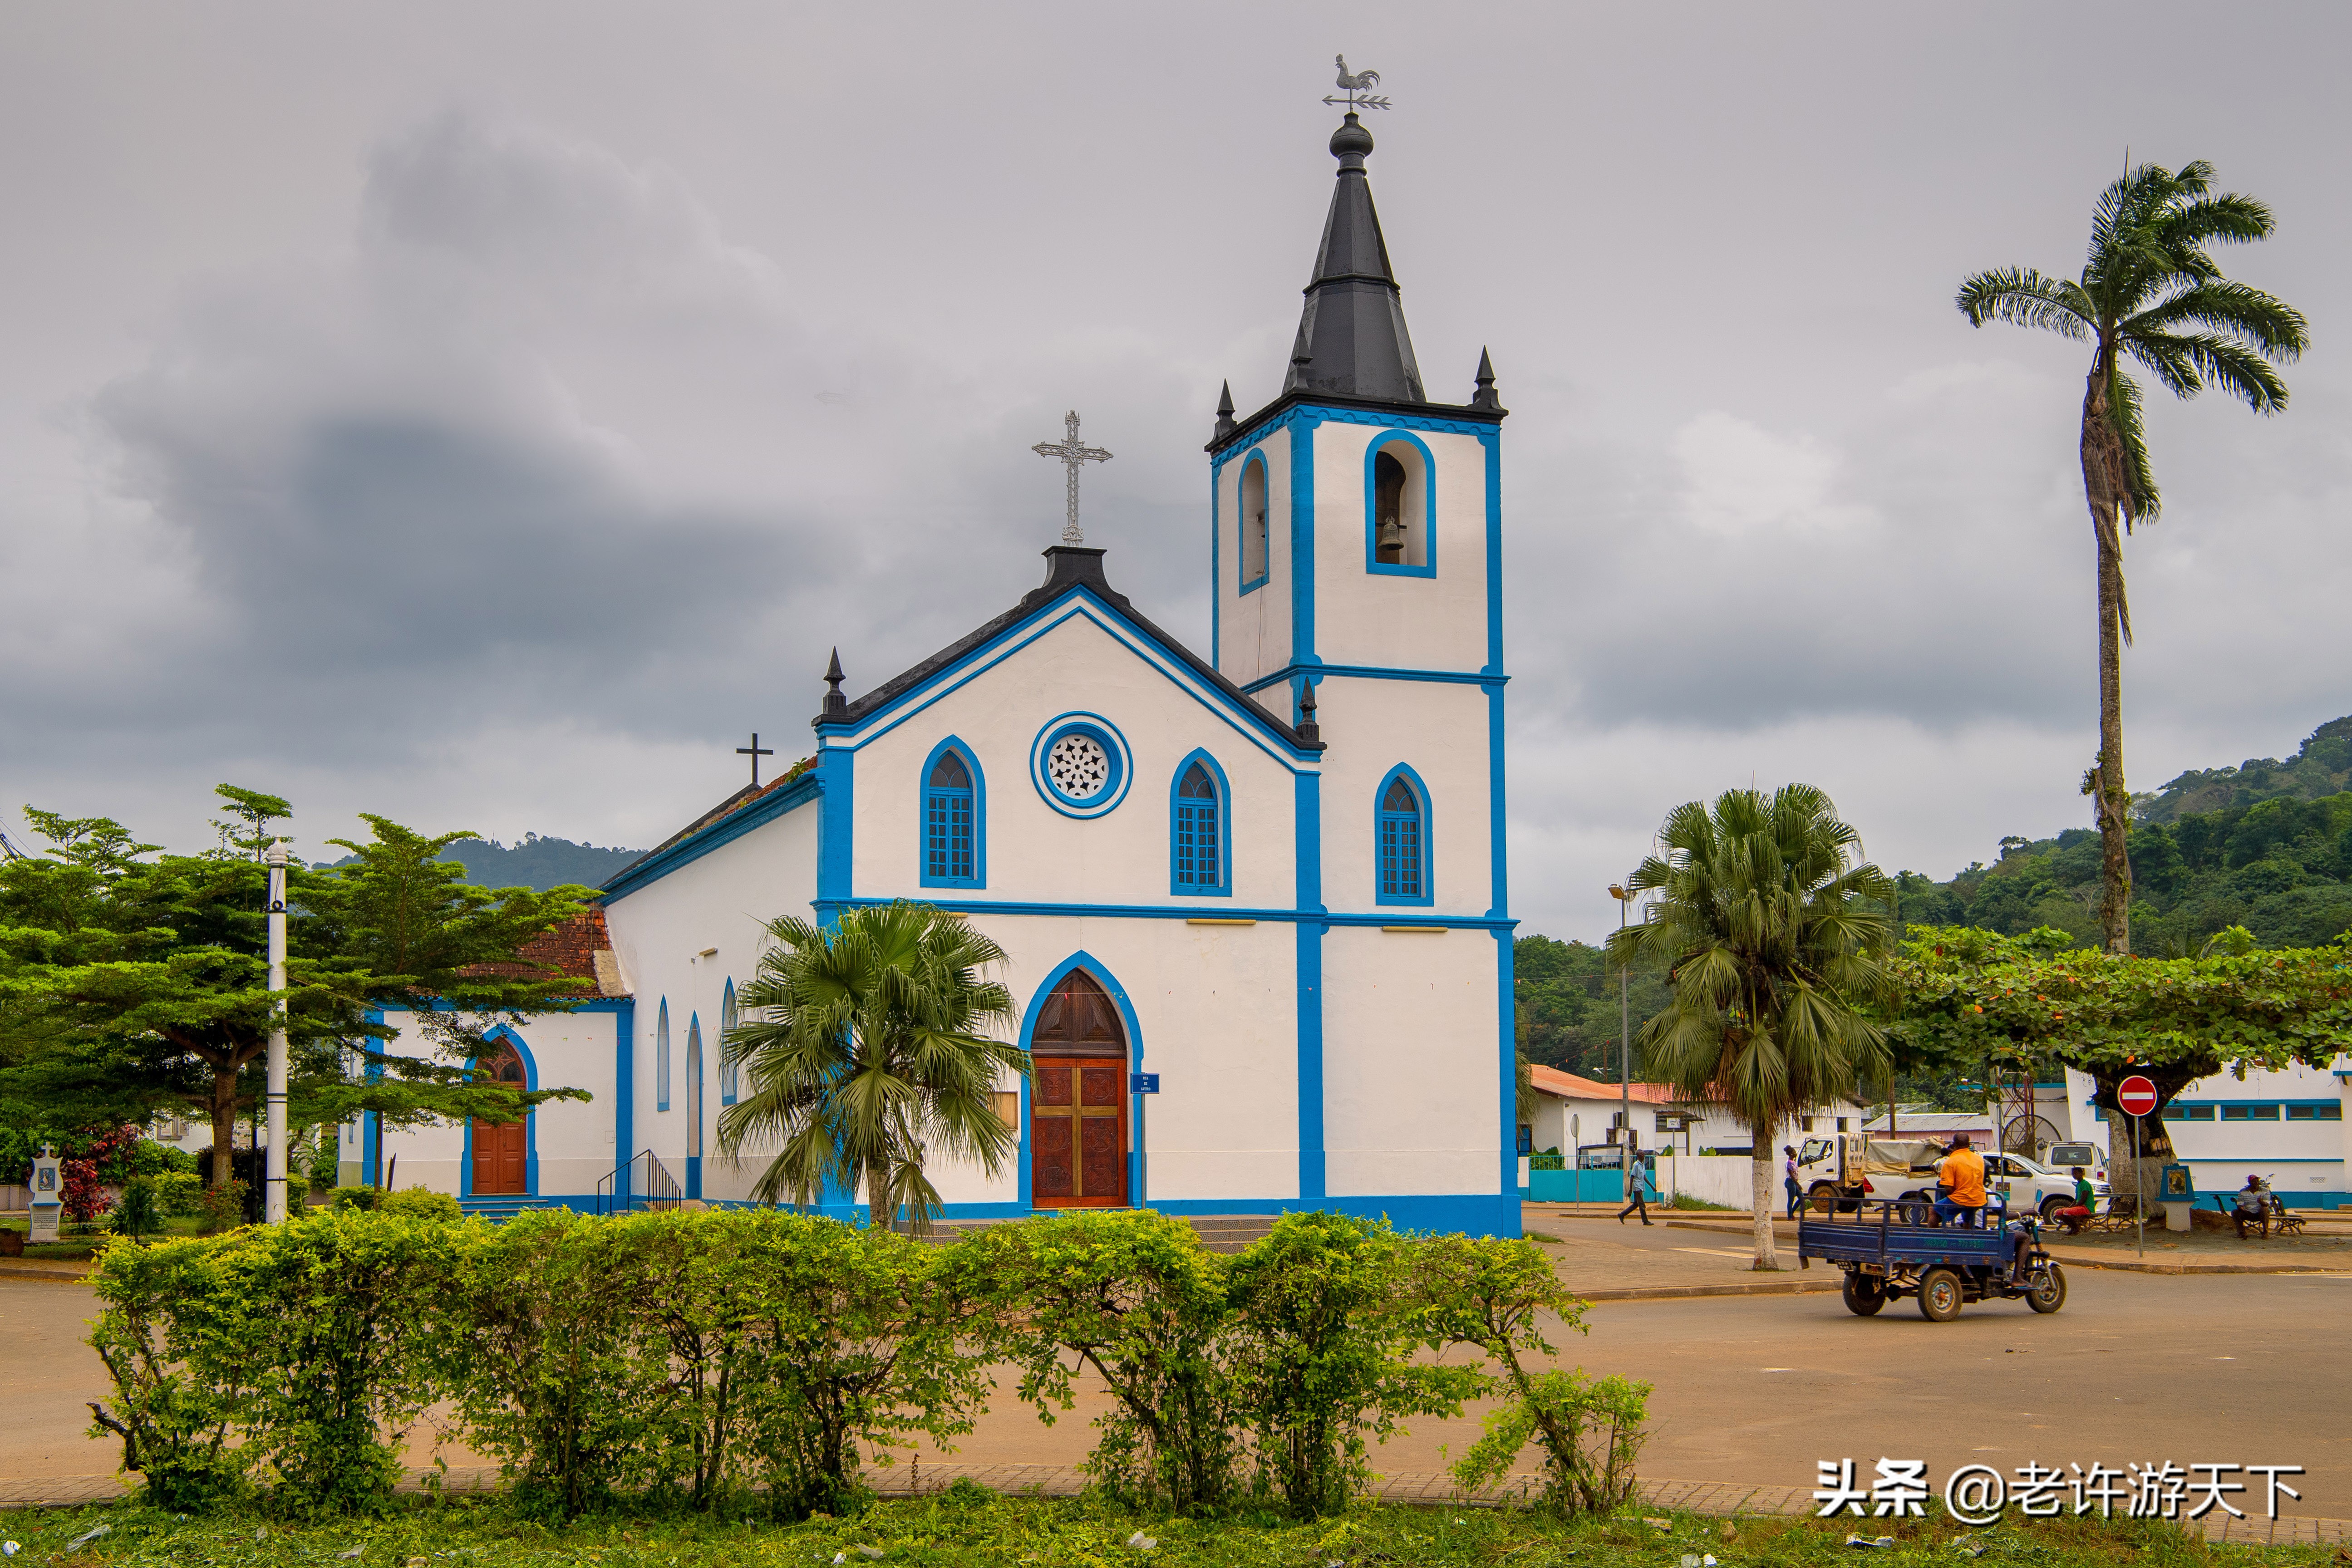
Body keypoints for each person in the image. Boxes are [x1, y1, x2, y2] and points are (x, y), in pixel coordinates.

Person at [1933, 1133, 1988, 1227]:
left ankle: (1932, 1239)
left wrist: (1955, 1198)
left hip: (1962, 1199)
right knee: (1967, 1218)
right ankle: (1968, 1237)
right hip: (1979, 1199)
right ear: (1969, 1145)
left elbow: (1949, 1189)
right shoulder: (1979, 1159)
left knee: (1933, 1210)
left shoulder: (1950, 1162)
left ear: (1954, 1145)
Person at [1616, 1132, 1652, 1225]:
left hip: (1641, 1186)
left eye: (1644, 1154)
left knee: (1636, 1204)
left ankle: (1622, 1214)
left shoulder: (1643, 1164)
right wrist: (1630, 1190)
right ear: (1638, 1156)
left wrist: (1652, 1187)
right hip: (1637, 1187)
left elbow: (1644, 1177)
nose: (1644, 1155)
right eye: (1642, 1154)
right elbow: (1632, 1177)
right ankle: (1645, 1221)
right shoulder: (1636, 1165)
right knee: (1642, 1205)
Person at [2052, 1165, 2096, 1235]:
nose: (2074, 1175)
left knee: (2067, 1212)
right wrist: (2070, 1207)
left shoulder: (2085, 1184)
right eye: (2073, 1174)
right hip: (2080, 1207)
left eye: (2076, 1173)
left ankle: (2076, 1228)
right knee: (2059, 1212)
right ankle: (2073, 1227)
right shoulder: (2078, 1185)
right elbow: (2076, 1199)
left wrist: (2073, 1208)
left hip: (2086, 1207)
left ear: (2081, 1174)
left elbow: (2083, 1200)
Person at [2233, 1174, 2273, 1239]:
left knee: (2265, 1210)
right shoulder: (2243, 1191)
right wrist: (2241, 1207)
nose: (2256, 1183)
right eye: (2253, 1181)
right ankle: (2241, 1233)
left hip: (2259, 1213)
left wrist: (2261, 1202)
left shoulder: (2265, 1191)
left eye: (2257, 1181)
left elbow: (2267, 1204)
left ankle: (2265, 1233)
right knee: (2235, 1212)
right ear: (2249, 1183)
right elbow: (2240, 1203)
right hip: (2248, 1213)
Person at [1784, 1145, 1806, 1219]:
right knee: (1791, 1200)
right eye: (1794, 1152)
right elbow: (1791, 1175)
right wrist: (1798, 1184)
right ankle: (1790, 1217)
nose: (1796, 1153)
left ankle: (1791, 1212)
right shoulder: (1789, 1163)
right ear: (1791, 1154)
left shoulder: (1793, 1162)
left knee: (1802, 1198)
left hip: (1794, 1182)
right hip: (1790, 1182)